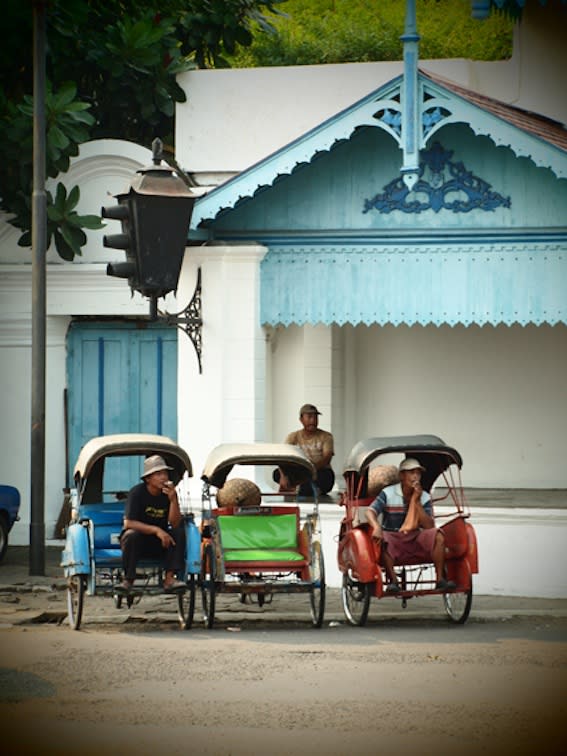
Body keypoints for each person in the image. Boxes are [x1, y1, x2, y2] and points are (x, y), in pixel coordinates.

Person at [365, 458, 456, 593]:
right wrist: (376, 527)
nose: (415, 476)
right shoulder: (388, 493)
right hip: (393, 537)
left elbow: (429, 526)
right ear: (402, 475)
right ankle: (394, 581)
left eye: (418, 473)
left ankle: (440, 579)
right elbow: (370, 511)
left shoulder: (424, 496)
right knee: (383, 539)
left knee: (438, 535)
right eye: (411, 472)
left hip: (416, 537)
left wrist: (417, 501)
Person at [119, 454, 186, 594]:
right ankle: (128, 580)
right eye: (158, 474)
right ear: (148, 478)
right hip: (139, 542)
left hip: (160, 543)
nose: (164, 477)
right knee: (131, 535)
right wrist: (156, 530)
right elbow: (128, 523)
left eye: (165, 473)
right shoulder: (137, 493)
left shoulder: (168, 494)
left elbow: (174, 523)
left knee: (179, 532)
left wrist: (173, 500)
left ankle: (169, 579)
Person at [274, 403, 335, 496]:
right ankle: (304, 488)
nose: (313, 420)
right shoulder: (293, 436)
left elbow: (327, 458)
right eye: (310, 417)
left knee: (327, 478)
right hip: (300, 472)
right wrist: (283, 476)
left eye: (315, 417)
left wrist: (312, 469)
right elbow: (283, 457)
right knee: (276, 474)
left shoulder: (326, 436)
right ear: (301, 420)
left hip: (319, 471)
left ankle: (298, 488)